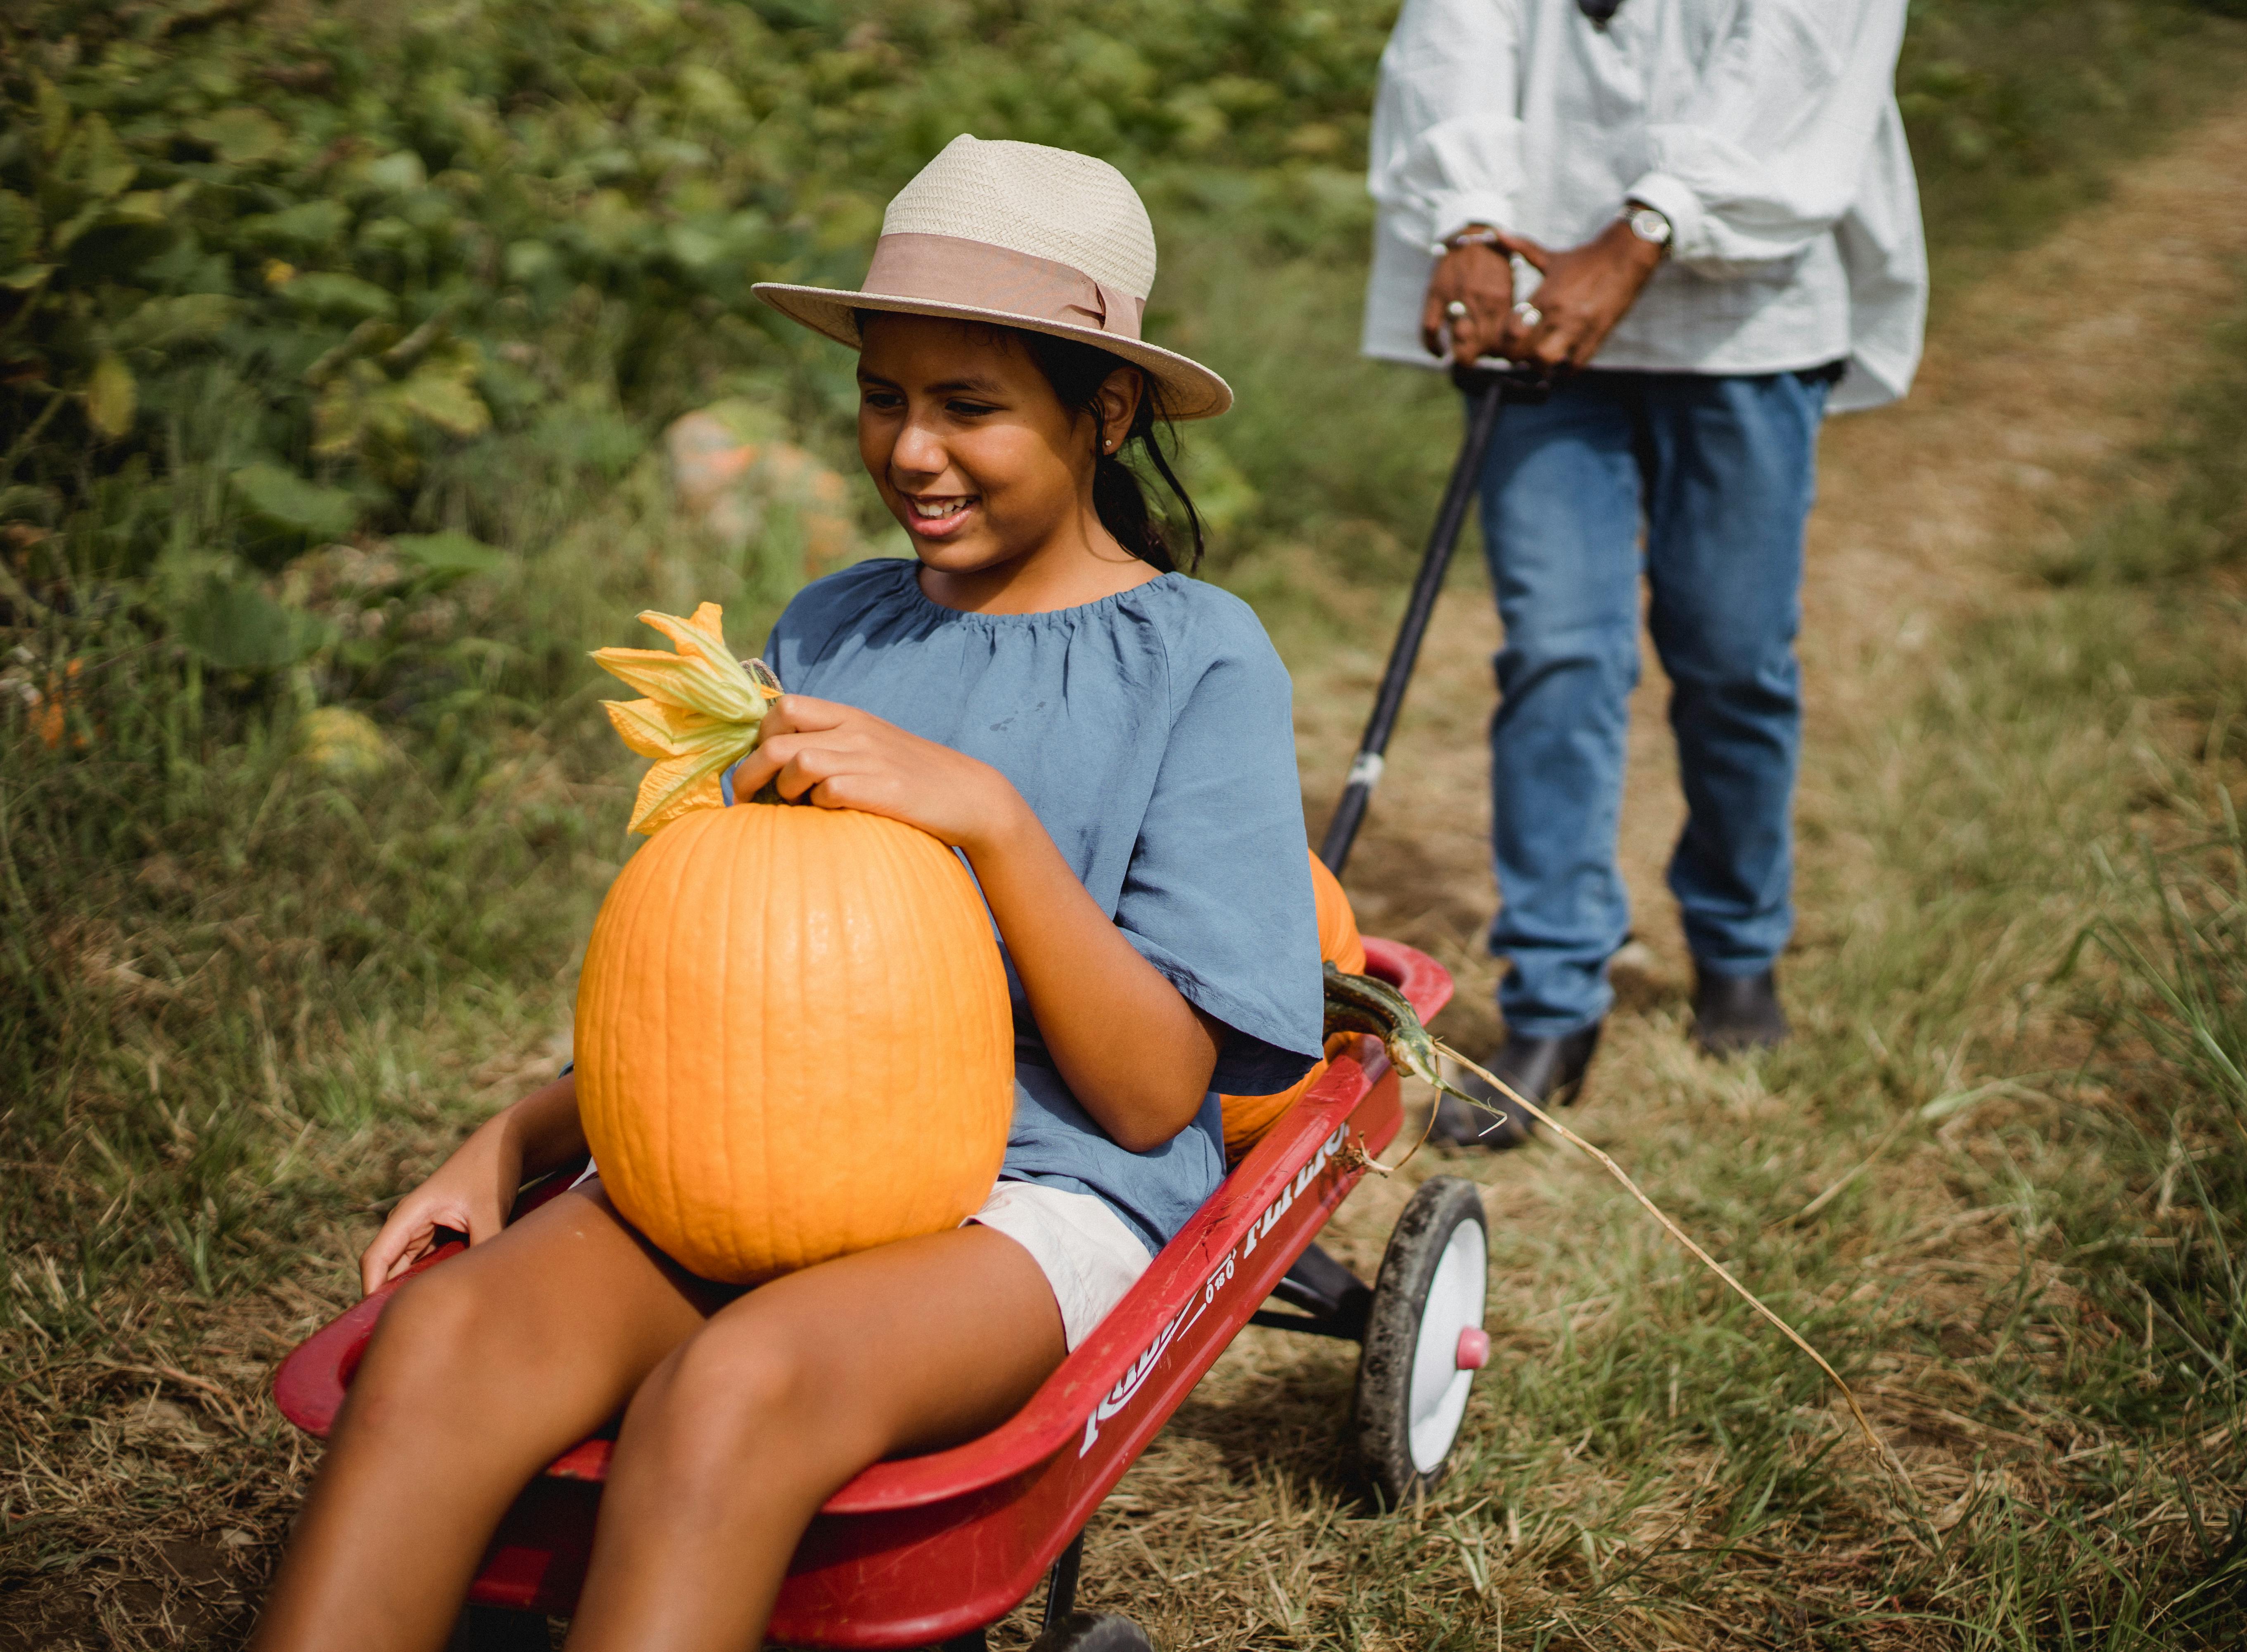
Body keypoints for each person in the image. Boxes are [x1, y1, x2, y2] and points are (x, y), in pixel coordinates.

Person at [247, 137, 1324, 1652]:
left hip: (1041, 1189)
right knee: (449, 1339)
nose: (913, 451)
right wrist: (516, 1137)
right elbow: (731, 976)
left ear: (1110, 408)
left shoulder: (1196, 657)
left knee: (736, 1385)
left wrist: (998, 826)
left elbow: (1156, 1104)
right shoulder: (833, 627)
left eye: (971, 407)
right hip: (769, 1145)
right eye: (886, 397)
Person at [1361, 0, 1926, 1141]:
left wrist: (1644, 232)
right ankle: (1557, 997)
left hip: (1745, 322)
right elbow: (1457, 34)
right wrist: (1468, 218)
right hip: (1537, 322)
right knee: (1558, 653)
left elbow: (1802, 52)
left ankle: (1736, 947)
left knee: (1731, 657)